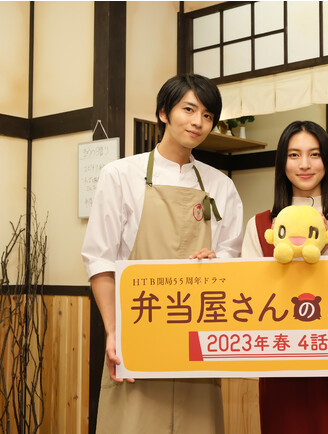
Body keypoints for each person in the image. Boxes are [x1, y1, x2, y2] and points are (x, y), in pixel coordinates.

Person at [81, 74, 243, 434]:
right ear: (164, 113)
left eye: (208, 115)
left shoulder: (221, 186)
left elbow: (232, 259)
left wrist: (216, 263)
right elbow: (100, 259)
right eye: (189, 109)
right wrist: (113, 331)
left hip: (199, 338)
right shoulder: (120, 175)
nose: (198, 122)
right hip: (138, 333)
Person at [241, 120, 328, 434]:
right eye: (294, 155)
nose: (304, 164)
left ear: (327, 161)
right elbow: (249, 298)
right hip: (279, 360)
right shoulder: (259, 225)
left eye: (314, 154)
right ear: (281, 163)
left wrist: (322, 249)